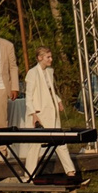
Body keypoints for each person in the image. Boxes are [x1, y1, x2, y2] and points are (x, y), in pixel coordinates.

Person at [22, 46, 74, 176]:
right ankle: (29, 174)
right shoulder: (32, 73)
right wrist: (33, 114)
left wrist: (58, 100)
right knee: (35, 145)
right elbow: (28, 96)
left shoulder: (50, 71)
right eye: (48, 57)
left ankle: (71, 171)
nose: (51, 59)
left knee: (60, 141)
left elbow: (50, 89)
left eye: (51, 56)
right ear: (40, 58)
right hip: (39, 113)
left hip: (51, 111)